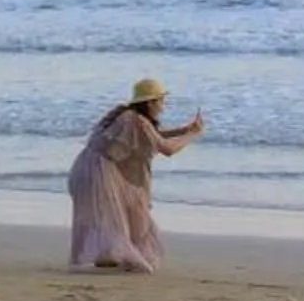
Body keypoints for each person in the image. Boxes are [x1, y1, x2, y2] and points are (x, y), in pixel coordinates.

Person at [68, 76, 205, 273]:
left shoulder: (127, 115)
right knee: (122, 213)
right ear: (150, 102)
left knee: (114, 215)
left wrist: (185, 129)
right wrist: (192, 135)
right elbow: (167, 149)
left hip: (87, 167)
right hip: (99, 171)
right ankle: (118, 256)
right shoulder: (136, 120)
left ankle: (108, 257)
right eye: (160, 101)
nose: (163, 106)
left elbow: (153, 136)